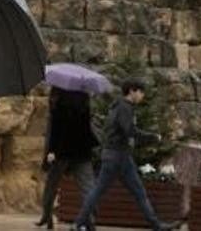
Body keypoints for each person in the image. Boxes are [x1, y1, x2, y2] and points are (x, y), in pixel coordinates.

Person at [72, 79, 178, 231]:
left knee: (130, 192)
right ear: (132, 91)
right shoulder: (124, 107)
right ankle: (79, 222)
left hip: (117, 155)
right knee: (107, 192)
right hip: (118, 156)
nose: (142, 96)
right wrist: (153, 137)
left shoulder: (118, 106)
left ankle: (156, 225)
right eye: (141, 92)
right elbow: (129, 130)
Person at [35, 87, 98, 230]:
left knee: (51, 185)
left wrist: (51, 152)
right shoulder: (84, 102)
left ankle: (46, 216)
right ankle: (90, 219)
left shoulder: (59, 104)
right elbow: (87, 128)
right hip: (82, 151)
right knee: (87, 187)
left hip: (61, 152)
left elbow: (55, 132)